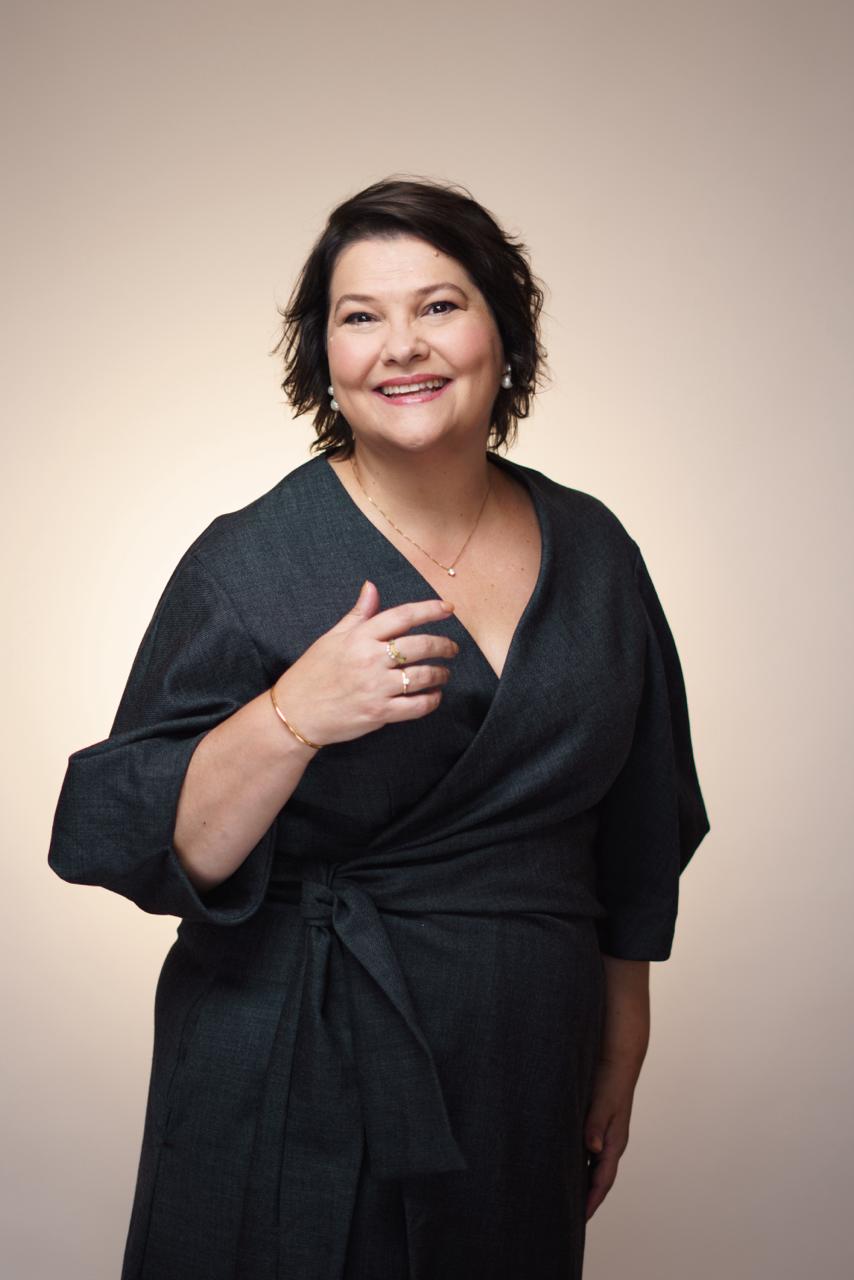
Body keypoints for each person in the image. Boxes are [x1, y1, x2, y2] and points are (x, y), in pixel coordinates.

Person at [48, 175, 710, 1280]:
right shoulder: (248, 560)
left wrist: (622, 1037)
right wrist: (294, 715)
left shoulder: (596, 549)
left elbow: (640, 821)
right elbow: (138, 839)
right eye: (361, 316)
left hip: (521, 1057)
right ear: (324, 358)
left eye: (439, 305)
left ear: (504, 331)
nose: (402, 345)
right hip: (290, 1046)